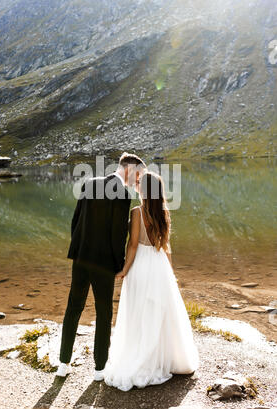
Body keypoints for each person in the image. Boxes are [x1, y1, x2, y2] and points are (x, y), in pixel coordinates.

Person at [103, 171, 199, 391]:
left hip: (142, 265)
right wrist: (171, 272)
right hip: (160, 265)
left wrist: (124, 269)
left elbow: (133, 245)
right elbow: (166, 245)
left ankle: (144, 356)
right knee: (161, 312)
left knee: (139, 311)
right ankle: (168, 358)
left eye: (139, 183)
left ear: (145, 189)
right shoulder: (164, 211)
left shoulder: (137, 212)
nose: (136, 185)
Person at [56, 152, 146, 379]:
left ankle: (63, 364)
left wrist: (78, 251)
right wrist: (120, 266)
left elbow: (75, 221)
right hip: (104, 264)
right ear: (129, 169)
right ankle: (99, 369)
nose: (138, 180)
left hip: (81, 258)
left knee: (73, 308)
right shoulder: (123, 195)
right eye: (138, 175)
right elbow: (118, 235)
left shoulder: (89, 183)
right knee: (103, 313)